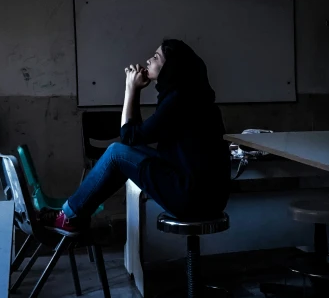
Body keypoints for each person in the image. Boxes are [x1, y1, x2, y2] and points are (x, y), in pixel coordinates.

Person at [45, 39, 231, 231]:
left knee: (116, 152)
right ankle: (75, 215)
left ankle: (69, 216)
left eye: (156, 57)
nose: (149, 60)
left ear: (171, 67)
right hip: (207, 198)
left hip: (193, 199)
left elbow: (128, 136)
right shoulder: (190, 96)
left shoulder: (180, 100)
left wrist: (130, 89)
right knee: (122, 151)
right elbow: (136, 137)